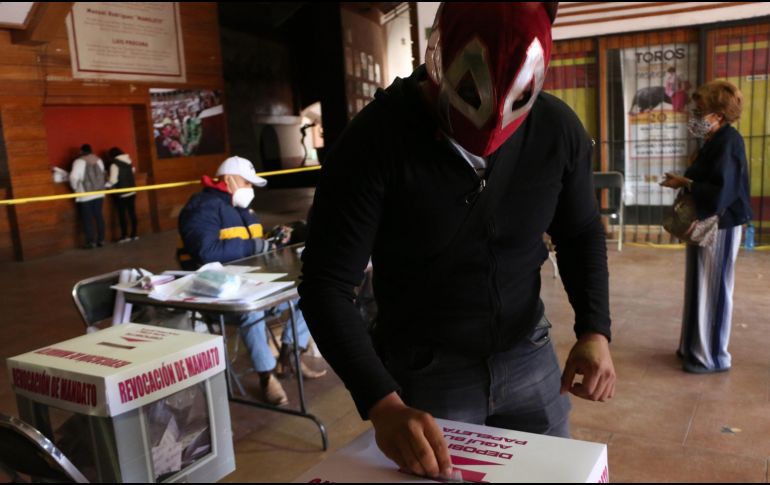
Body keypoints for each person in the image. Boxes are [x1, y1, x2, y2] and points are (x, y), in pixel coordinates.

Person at [298, 3, 615, 480]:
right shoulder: (374, 141)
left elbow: (580, 231)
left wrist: (594, 330)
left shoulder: (556, 130)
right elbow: (326, 284)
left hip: (528, 351)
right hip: (427, 369)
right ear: (440, 63)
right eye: (468, 95)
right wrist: (382, 403)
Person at [177, 155, 325, 406]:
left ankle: (290, 355)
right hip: (218, 295)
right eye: (247, 183)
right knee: (252, 311)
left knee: (313, 294)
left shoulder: (244, 210)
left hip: (254, 284)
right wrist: (255, 245)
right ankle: (267, 377)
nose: (250, 189)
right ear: (229, 180)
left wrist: (273, 237)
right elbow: (206, 252)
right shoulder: (201, 207)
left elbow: (253, 245)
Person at [661, 80, 752, 374]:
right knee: (699, 286)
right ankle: (693, 347)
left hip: (720, 225)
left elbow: (722, 192)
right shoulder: (715, 141)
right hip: (708, 223)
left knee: (714, 289)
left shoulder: (729, 142)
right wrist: (686, 180)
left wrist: (686, 182)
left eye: (700, 111)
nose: (695, 116)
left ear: (719, 115)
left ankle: (712, 356)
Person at [69, 144, 106, 249]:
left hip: (85, 195)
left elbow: (73, 177)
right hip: (99, 193)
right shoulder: (99, 160)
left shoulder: (78, 162)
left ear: (81, 151)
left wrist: (75, 188)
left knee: (87, 218)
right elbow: (103, 174)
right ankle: (101, 239)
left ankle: (91, 242)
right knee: (98, 216)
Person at [105, 147, 139, 243]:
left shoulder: (114, 164)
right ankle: (134, 234)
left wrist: (107, 184)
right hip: (132, 191)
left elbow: (113, 180)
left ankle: (124, 236)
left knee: (122, 215)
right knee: (132, 213)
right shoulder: (129, 161)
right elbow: (132, 172)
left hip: (122, 193)